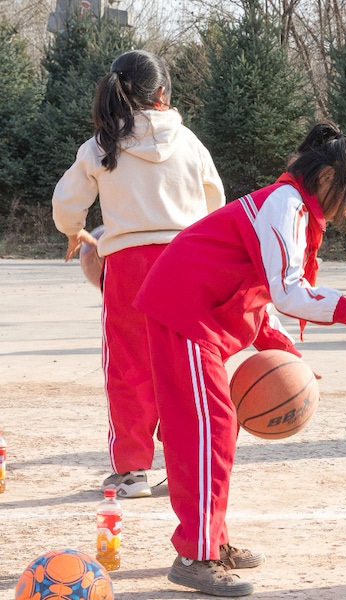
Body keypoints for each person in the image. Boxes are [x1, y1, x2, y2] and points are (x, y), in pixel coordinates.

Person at [133, 124, 346, 596]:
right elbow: (287, 293)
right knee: (206, 432)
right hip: (182, 309)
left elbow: (261, 295)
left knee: (213, 430)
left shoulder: (294, 207)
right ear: (326, 177)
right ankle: (195, 553)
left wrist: (288, 355)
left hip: (196, 309)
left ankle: (211, 540)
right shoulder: (286, 205)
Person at [52, 50, 226, 499]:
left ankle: (132, 471)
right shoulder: (190, 142)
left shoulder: (102, 144)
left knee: (129, 367)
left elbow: (67, 203)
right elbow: (215, 205)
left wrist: (74, 231)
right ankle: (188, 466)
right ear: (162, 93)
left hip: (129, 266)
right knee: (186, 368)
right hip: (185, 263)